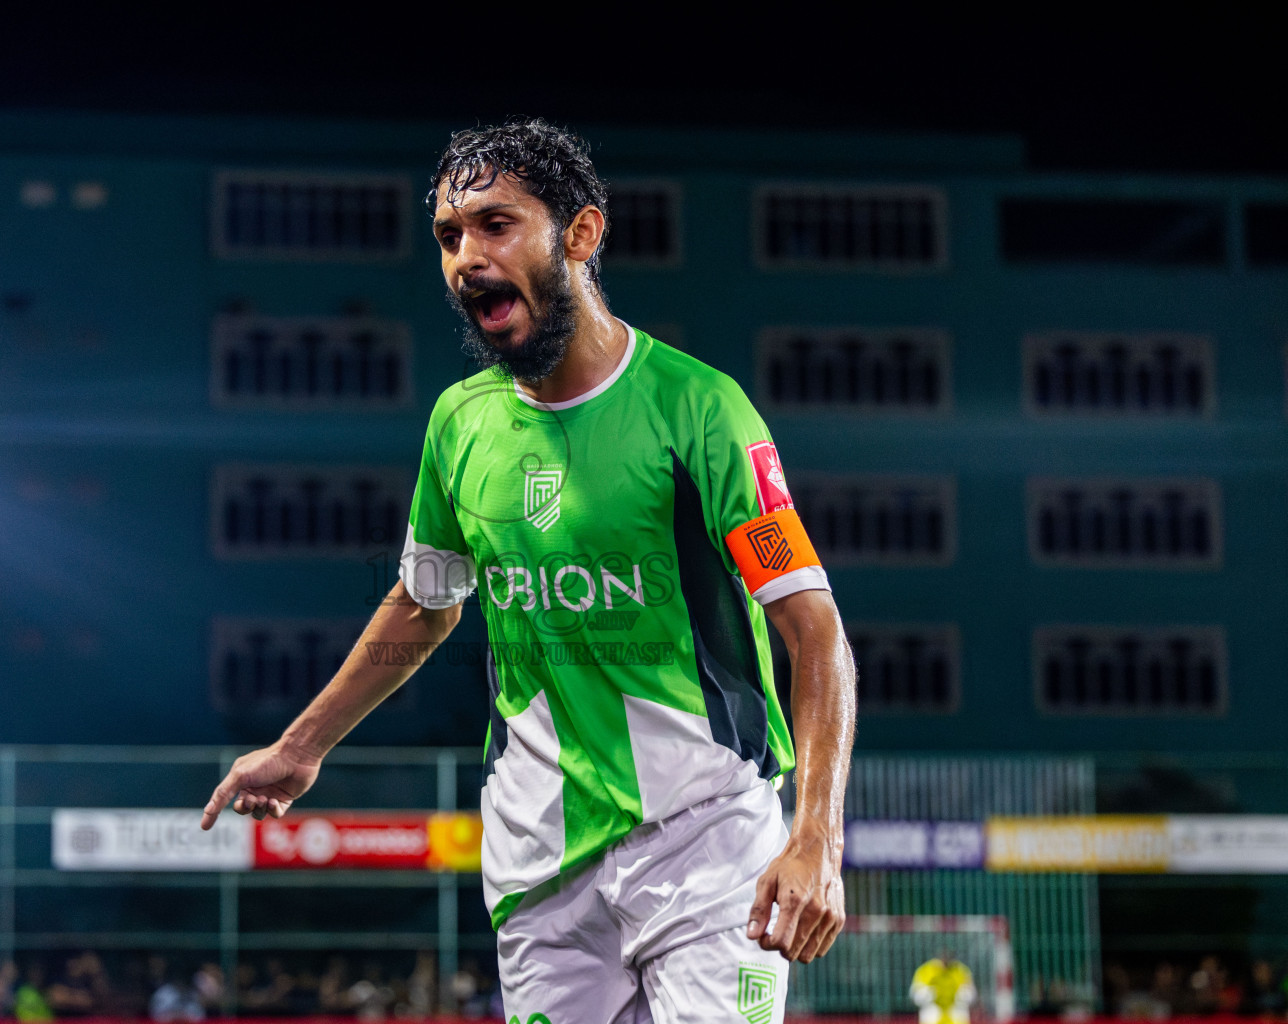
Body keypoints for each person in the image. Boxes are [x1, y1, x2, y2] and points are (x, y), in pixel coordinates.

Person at [201, 118, 856, 1024]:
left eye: (496, 225)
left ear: (581, 235)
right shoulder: (459, 423)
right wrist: (304, 743)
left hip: (707, 843)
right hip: (535, 857)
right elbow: (427, 605)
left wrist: (817, 834)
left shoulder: (702, 410)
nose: (467, 256)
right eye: (449, 236)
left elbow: (813, 629)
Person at [911, 955, 975, 1024]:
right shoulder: (925, 971)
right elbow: (916, 995)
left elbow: (970, 993)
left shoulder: (961, 971)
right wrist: (928, 994)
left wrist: (964, 995)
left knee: (960, 1011)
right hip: (933, 1008)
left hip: (955, 1008)